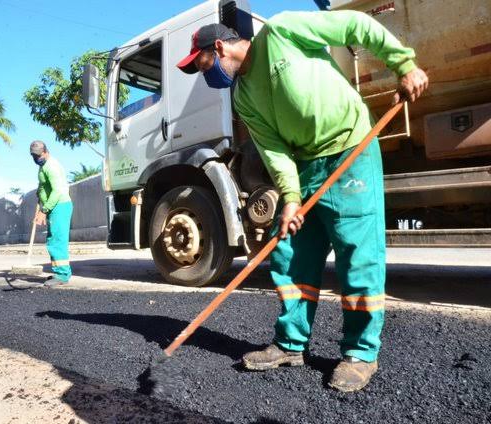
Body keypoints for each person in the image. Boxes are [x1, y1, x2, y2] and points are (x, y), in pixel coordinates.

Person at [177, 11, 428, 392]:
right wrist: (291, 198)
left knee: (357, 255)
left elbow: (355, 26)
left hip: (350, 151)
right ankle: (290, 344)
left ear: (220, 46)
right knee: (291, 255)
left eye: (203, 65)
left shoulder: (283, 31)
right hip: (305, 168)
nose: (204, 75)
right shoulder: (243, 96)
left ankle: (360, 353)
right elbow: (274, 150)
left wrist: (403, 64)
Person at [30, 140, 73, 286]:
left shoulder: (51, 166)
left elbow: (57, 191)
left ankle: (62, 275)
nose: (36, 159)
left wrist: (44, 210)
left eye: (38, 155)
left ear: (46, 152)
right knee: (53, 239)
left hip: (59, 206)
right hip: (54, 207)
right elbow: (45, 185)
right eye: (33, 156)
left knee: (57, 240)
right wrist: (40, 190)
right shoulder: (43, 166)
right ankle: (60, 272)